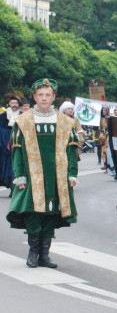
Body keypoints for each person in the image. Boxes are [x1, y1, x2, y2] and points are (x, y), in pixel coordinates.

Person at [6, 78, 78, 268]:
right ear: (34, 97)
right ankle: (33, 252)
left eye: (48, 95)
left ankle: (44, 255)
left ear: (54, 97)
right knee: (32, 213)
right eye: (40, 95)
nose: (44, 98)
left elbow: (71, 151)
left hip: (57, 176)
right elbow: (17, 151)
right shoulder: (22, 122)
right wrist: (19, 176)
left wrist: (72, 174)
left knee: (51, 213)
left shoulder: (65, 122)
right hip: (32, 176)